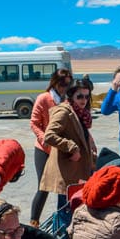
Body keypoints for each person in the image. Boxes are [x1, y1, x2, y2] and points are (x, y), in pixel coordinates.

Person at [39, 78, 97, 213]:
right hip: (68, 170)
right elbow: (49, 135)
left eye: (87, 96)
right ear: (71, 95)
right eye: (80, 96)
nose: (84, 100)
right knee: (66, 210)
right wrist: (72, 147)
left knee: (76, 208)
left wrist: (90, 144)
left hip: (78, 170)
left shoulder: (80, 113)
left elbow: (79, 132)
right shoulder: (64, 111)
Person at [29, 68, 72, 227]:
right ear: (55, 82)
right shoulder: (44, 98)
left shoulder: (67, 101)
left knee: (64, 186)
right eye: (62, 84)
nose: (65, 87)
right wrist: (43, 138)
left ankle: (63, 222)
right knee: (43, 185)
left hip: (60, 149)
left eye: (68, 84)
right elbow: (34, 123)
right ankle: (34, 221)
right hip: (44, 149)